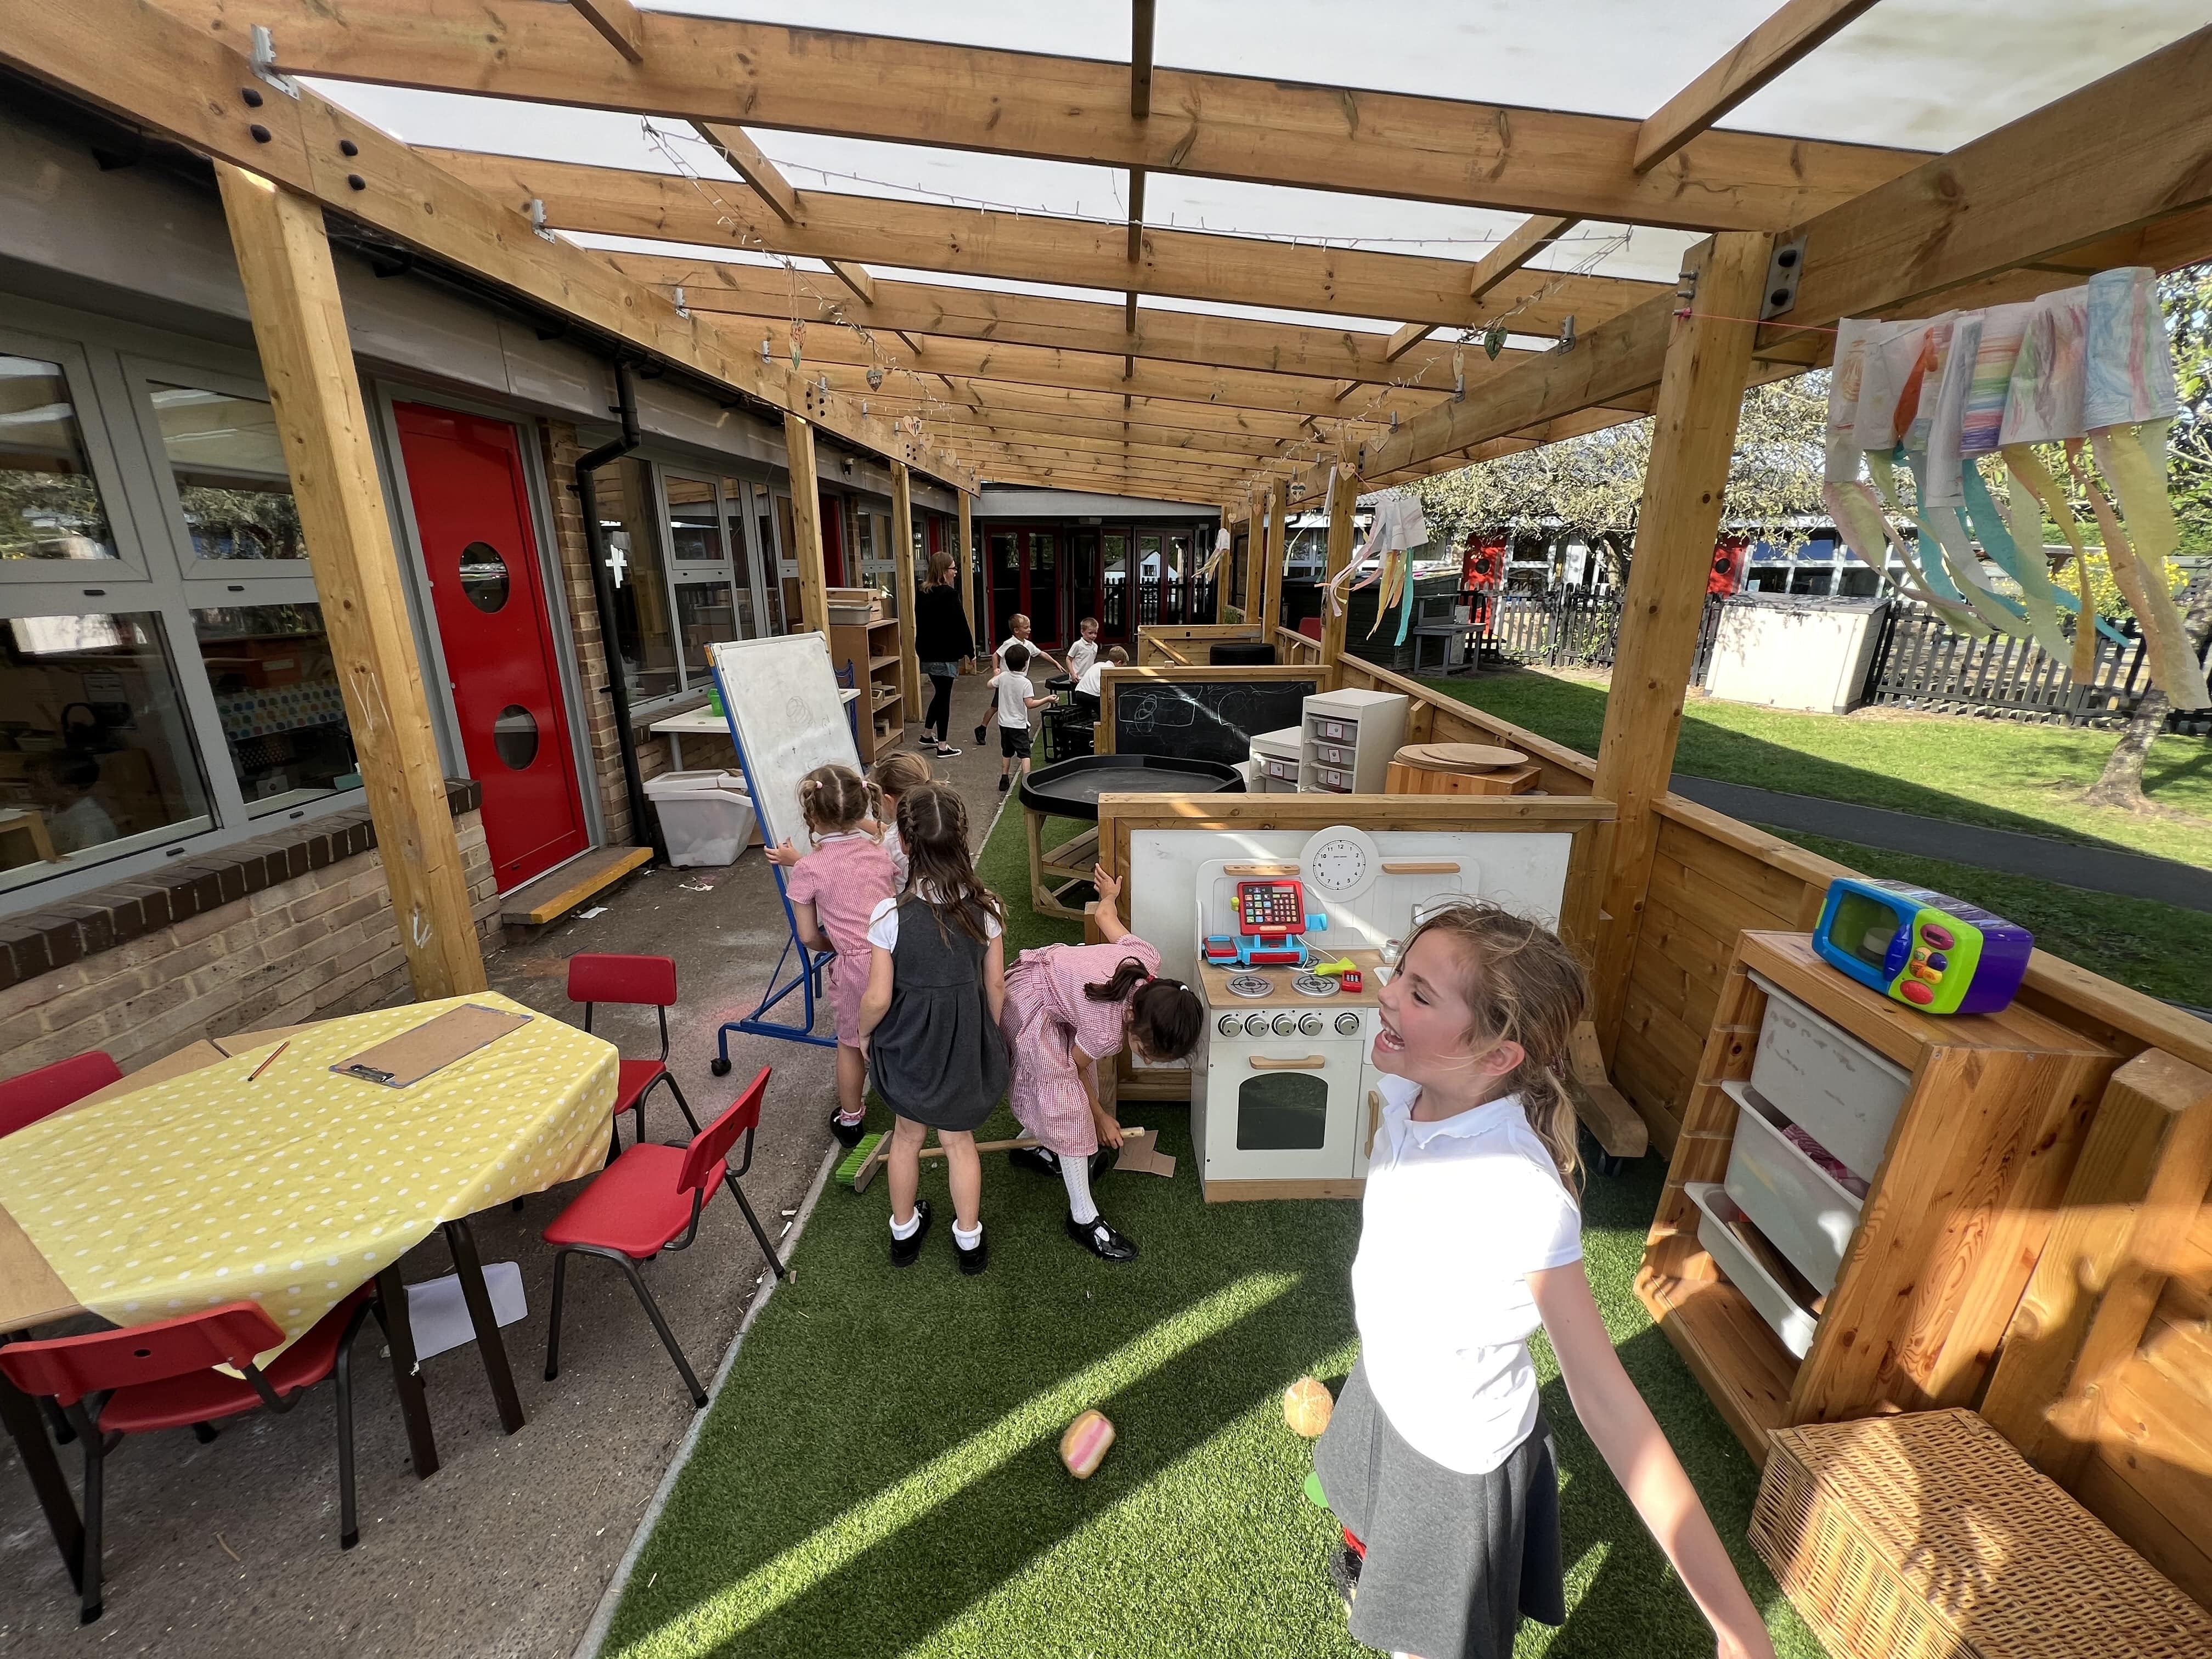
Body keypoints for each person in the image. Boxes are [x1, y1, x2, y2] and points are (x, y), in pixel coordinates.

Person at [1313, 900, 1776, 1659]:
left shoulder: (1519, 1193)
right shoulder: (1413, 1084)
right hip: (1391, 1389)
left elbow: (1609, 1405)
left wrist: (1735, 1625)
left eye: (1420, 993)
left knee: (1426, 1645)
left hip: (1454, 1453)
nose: (1387, 994)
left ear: (1499, 1058)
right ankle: (1374, 1555)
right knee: (1368, 1512)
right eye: (1401, 969)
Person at [1000, 864, 1202, 1260]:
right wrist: (1100, 1118)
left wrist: (1108, 895)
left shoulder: (1145, 961)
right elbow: (1073, 1070)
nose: (1148, 1059)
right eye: (1149, 1052)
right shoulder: (1107, 1027)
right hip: (1028, 1003)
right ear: (1138, 1029)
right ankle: (1083, 1217)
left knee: (1069, 1088)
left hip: (1057, 993)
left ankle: (1030, 1144)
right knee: (1070, 1105)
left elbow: (1106, 917)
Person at [856, 783, 1010, 1275]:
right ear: (963, 841)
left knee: (906, 1136)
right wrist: (992, 1035)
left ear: (903, 842)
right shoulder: (988, 909)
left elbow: (879, 997)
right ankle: (969, 1239)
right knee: (958, 1141)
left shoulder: (889, 915)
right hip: (964, 1041)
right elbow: (997, 989)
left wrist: (862, 1036)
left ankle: (904, 1232)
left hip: (908, 1045)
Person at [765, 765, 898, 1150]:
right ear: (861, 810)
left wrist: (838, 946)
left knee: (851, 1042)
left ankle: (852, 1119)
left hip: (857, 965)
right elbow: (881, 834)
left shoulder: (808, 868)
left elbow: (807, 936)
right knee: (898, 1026)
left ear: (812, 817)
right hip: (895, 951)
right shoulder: (881, 850)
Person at [911, 550, 973, 758]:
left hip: (927, 653)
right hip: (945, 654)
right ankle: (943, 747)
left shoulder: (922, 593)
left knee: (939, 694)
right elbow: (961, 624)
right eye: (953, 568)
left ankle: (927, 735)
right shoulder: (949, 595)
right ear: (944, 571)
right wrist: (970, 651)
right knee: (944, 697)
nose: (956, 572)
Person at [973, 612, 1062, 747]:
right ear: (1016, 630)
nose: (1029, 630)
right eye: (1026, 628)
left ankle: (1024, 732)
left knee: (1022, 704)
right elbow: (996, 655)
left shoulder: (1028, 644)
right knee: (995, 707)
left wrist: (1055, 662)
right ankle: (982, 728)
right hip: (1006, 681)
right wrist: (996, 670)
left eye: (1029, 627)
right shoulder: (1009, 643)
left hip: (1019, 681)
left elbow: (1040, 653)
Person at [987, 642, 1053, 794]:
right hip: (1019, 725)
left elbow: (990, 684)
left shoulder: (1003, 677)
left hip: (1004, 723)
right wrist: (1047, 699)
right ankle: (1027, 782)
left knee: (1006, 751)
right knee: (1025, 754)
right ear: (1025, 665)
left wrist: (996, 674)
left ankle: (1004, 778)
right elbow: (1030, 704)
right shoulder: (1025, 683)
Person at [868, 750, 932, 888]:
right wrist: (860, 823)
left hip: (907, 905)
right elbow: (891, 830)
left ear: (888, 801)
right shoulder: (936, 819)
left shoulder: (887, 845)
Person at [1073, 643, 1126, 719]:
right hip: (1094, 696)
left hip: (1080, 692)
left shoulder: (1098, 664)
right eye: (1123, 666)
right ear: (1119, 663)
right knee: (1108, 717)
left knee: (1085, 718)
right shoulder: (1111, 670)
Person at [1065, 616, 1101, 685]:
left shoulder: (1095, 646)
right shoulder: (1078, 645)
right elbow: (1069, 659)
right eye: (1090, 633)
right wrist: (1073, 674)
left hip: (1088, 678)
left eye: (1095, 633)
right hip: (1077, 679)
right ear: (1082, 632)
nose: (1093, 636)